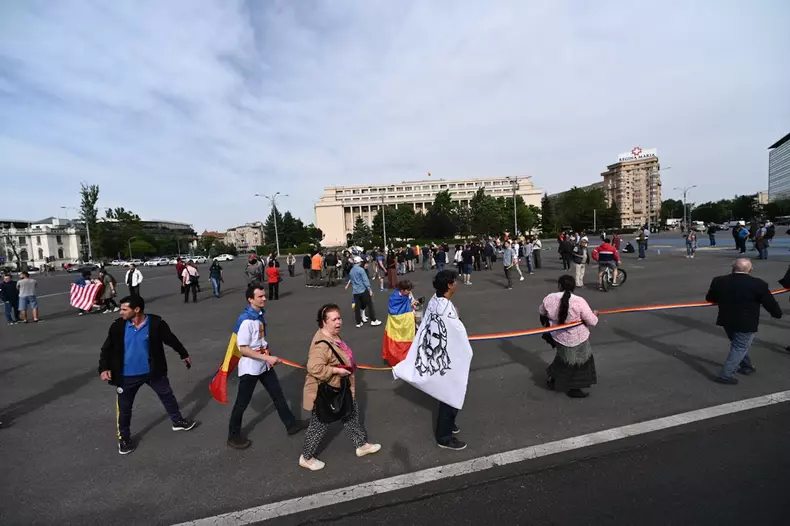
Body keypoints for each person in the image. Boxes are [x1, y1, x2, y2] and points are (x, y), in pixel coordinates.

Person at [98, 295, 195, 455]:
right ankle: (124, 438)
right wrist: (104, 368)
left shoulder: (156, 323)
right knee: (124, 409)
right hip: (126, 376)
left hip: (153, 372)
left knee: (167, 395)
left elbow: (170, 339)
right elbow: (106, 349)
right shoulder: (117, 326)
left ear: (136, 310)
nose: (120, 312)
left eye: (124, 309)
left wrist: (183, 354)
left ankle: (177, 421)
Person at [299, 304, 382, 470]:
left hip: (340, 388)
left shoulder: (333, 335)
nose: (339, 322)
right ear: (324, 322)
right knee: (320, 424)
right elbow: (314, 368)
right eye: (334, 319)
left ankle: (361, 445)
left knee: (351, 413)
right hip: (326, 392)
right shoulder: (321, 344)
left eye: (339, 318)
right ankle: (306, 458)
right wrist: (336, 370)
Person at [227, 286, 307, 449]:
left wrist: (267, 357)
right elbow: (243, 348)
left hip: (264, 364)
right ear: (250, 299)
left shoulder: (258, 315)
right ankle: (233, 435)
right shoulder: (247, 320)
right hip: (251, 367)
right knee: (242, 402)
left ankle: (290, 424)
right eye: (260, 296)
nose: (264, 298)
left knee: (277, 394)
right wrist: (267, 357)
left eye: (264, 295)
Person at [705, 258, 782, 384]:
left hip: (726, 319)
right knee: (740, 346)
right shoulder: (758, 284)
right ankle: (726, 374)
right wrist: (777, 314)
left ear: (733, 268)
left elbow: (710, 298)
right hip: (746, 321)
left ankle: (747, 366)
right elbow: (769, 303)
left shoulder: (719, 281)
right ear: (750, 270)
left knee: (738, 345)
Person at [540, 275, 599, 398]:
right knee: (579, 362)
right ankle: (574, 388)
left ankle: (553, 379)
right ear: (573, 287)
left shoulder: (549, 298)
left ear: (559, 285)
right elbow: (592, 321)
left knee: (563, 358)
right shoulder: (579, 301)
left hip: (557, 336)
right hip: (578, 338)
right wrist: (595, 314)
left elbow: (541, 312)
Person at [345, 256, 381, 328]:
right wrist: (370, 289)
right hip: (363, 290)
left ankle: (358, 322)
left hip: (355, 291)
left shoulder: (352, 271)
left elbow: (351, 280)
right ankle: (373, 320)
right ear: (359, 262)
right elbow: (365, 281)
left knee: (357, 307)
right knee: (370, 305)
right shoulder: (361, 270)